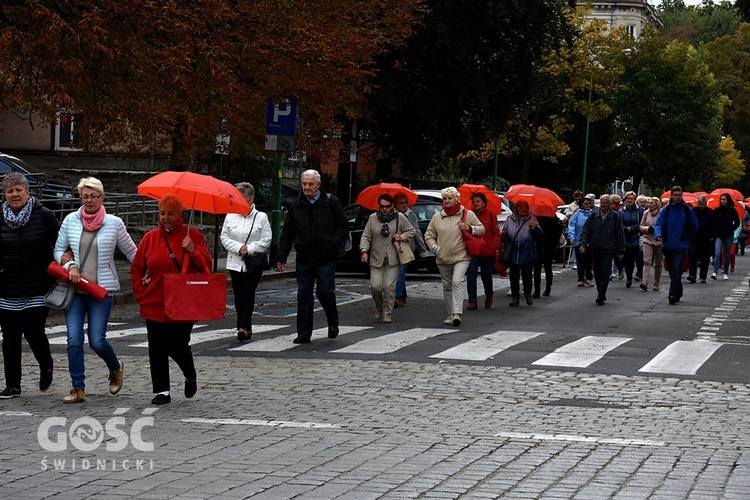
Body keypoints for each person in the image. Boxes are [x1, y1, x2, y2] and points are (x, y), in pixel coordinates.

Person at [54, 177, 137, 403]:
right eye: (85, 196)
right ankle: (77, 388)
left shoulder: (114, 223)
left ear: (102, 197)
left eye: (93, 196)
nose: (89, 200)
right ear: (80, 198)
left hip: (101, 290)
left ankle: (115, 366)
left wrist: (148, 270)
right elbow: (59, 249)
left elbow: (132, 252)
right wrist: (69, 264)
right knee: (73, 339)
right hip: (75, 290)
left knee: (97, 341)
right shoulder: (71, 220)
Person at [131, 194, 212, 405]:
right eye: (162, 213)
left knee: (178, 344)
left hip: (183, 302)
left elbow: (207, 267)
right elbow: (137, 267)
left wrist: (193, 251)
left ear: (180, 215)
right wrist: (140, 292)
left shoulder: (192, 235)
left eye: (170, 213)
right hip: (154, 300)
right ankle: (162, 390)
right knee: (156, 346)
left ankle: (189, 373)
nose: (165, 217)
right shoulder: (150, 237)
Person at [0, 173, 57, 399]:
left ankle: (46, 364)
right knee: (10, 337)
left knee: (34, 332)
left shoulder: (44, 215)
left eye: (18, 190)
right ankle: (13, 384)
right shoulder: (0, 217)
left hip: (38, 285)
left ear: (27, 191)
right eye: (9, 191)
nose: (14, 194)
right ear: (4, 195)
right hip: (7, 287)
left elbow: (61, 244)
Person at [276, 170, 349, 344]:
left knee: (325, 292)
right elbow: (287, 233)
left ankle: (333, 321)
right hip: (304, 257)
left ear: (318, 184)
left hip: (326, 257)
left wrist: (333, 243)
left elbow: (343, 228)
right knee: (304, 296)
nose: (307, 187)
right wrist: (281, 257)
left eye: (310, 184)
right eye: (304, 184)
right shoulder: (297, 205)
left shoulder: (331, 202)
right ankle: (303, 333)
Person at [424, 187, 484, 324]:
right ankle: (451, 313)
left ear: (456, 199)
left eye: (450, 198)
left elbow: (481, 229)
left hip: (461, 256)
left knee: (457, 281)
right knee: (447, 285)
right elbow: (429, 235)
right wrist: (435, 248)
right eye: (445, 199)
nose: (447, 201)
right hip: (442, 257)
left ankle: (457, 313)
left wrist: (470, 228)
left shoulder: (467, 214)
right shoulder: (437, 217)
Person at [220, 182, 271, 342]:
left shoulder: (261, 217)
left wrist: (249, 248)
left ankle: (242, 327)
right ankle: (246, 327)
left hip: (253, 262)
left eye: (244, 199)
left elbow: (266, 239)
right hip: (235, 262)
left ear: (251, 199)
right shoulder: (230, 215)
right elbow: (224, 238)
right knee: (238, 295)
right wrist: (238, 248)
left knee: (248, 293)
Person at [360, 194, 415, 323]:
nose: (384, 209)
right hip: (376, 257)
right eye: (382, 206)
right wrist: (364, 251)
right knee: (376, 287)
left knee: (389, 286)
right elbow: (366, 236)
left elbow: (411, 231)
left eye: (387, 206)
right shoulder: (373, 218)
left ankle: (387, 312)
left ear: (392, 206)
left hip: (393, 258)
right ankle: (379, 306)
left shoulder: (399, 218)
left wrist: (401, 237)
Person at [578, 194, 625, 306]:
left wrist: (621, 250)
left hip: (609, 249)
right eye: (602, 203)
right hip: (595, 248)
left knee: (605, 271)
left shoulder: (615, 217)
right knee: (597, 272)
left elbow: (620, 234)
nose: (603, 205)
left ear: (609, 204)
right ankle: (601, 291)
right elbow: (586, 231)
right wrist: (582, 244)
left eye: (605, 203)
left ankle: (601, 295)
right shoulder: (594, 216)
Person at [655, 186, 698, 305]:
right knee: (671, 271)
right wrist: (658, 235)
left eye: (679, 195)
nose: (678, 197)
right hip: (668, 245)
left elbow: (694, 226)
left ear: (682, 195)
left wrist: (687, 239)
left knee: (676, 269)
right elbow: (659, 224)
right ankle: (678, 290)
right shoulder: (666, 210)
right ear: (672, 196)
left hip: (681, 245)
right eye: (675, 195)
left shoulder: (687, 210)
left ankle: (672, 294)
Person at [501, 199, 542, 307]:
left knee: (527, 276)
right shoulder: (510, 219)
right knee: (514, 277)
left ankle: (528, 294)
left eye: (525, 208)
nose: (523, 210)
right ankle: (515, 298)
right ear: (516, 209)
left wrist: (534, 227)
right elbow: (504, 234)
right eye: (521, 208)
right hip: (514, 252)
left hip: (528, 252)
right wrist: (507, 245)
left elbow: (540, 236)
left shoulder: (532, 219)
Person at [466, 193, 500, 309]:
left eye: (478, 201)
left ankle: (489, 294)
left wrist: (494, 247)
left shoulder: (491, 215)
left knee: (486, 275)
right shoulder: (468, 215)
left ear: (484, 203)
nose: (476, 204)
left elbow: (496, 233)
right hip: (474, 250)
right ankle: (472, 300)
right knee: (471, 274)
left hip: (487, 250)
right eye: (474, 201)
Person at [393, 193, 428, 307]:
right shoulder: (390, 215)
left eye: (405, 202)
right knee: (398, 272)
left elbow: (416, 231)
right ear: (395, 204)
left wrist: (423, 250)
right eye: (401, 203)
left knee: (400, 272)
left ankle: (397, 297)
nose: (404, 205)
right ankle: (402, 296)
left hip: (405, 247)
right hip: (392, 248)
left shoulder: (410, 215)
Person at [711, 193, 740, 281]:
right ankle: (715, 272)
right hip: (719, 234)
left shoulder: (732, 211)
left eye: (724, 199)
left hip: (728, 235)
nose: (722, 201)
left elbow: (737, 222)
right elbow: (713, 221)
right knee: (717, 253)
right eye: (721, 199)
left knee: (727, 254)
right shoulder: (717, 210)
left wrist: (731, 229)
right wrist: (715, 231)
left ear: (728, 200)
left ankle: (725, 272)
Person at [619, 191, 644, 288]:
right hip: (625, 239)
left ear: (635, 200)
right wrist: (626, 229)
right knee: (627, 260)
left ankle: (639, 274)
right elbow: (619, 225)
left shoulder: (640, 211)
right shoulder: (621, 212)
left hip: (636, 238)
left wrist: (633, 228)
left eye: (632, 199)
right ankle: (629, 277)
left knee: (638, 257)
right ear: (625, 200)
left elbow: (642, 223)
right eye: (628, 198)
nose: (630, 200)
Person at [567, 196, 594, 287]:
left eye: (589, 203)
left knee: (589, 261)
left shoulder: (592, 214)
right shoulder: (577, 215)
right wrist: (571, 237)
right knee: (580, 261)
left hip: (590, 242)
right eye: (586, 203)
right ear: (581, 205)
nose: (588, 205)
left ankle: (589, 278)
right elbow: (571, 226)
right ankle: (581, 278)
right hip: (578, 241)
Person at [688, 195, 715, 284]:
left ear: (705, 203)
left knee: (705, 258)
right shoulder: (693, 211)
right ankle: (692, 275)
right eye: (699, 204)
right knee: (692, 256)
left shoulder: (710, 213)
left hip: (706, 239)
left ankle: (703, 276)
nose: (700, 206)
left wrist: (711, 235)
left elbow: (713, 226)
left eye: (702, 204)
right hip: (694, 238)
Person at [533, 215, 561, 298]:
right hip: (539, 245)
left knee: (547, 267)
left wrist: (554, 243)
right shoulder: (535, 217)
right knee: (537, 268)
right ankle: (537, 290)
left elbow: (557, 231)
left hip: (548, 245)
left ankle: (547, 288)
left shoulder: (553, 217)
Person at [639, 197, 663, 291]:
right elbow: (641, 226)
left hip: (659, 240)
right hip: (647, 239)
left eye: (651, 203)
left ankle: (656, 282)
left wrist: (658, 231)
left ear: (656, 204)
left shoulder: (661, 214)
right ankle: (644, 281)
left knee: (658, 263)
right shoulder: (646, 213)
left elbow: (664, 225)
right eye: (648, 203)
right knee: (647, 261)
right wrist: (647, 229)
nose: (649, 204)